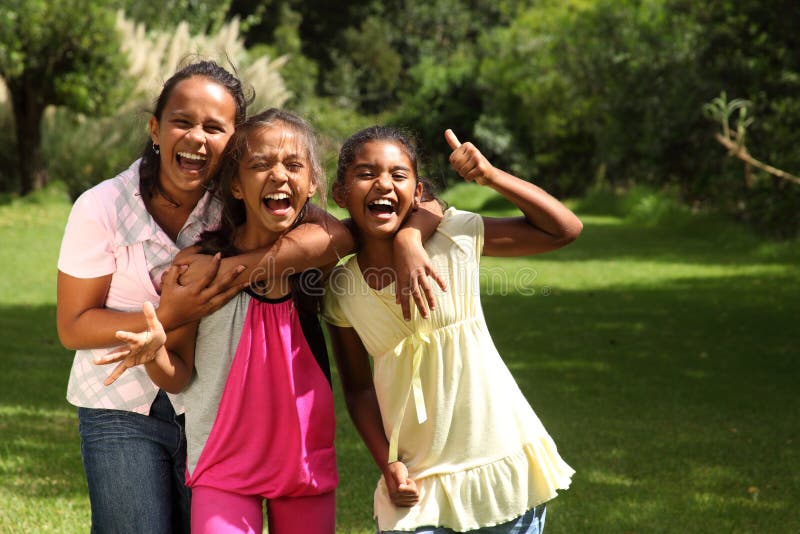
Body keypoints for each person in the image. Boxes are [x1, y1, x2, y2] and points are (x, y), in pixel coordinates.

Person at [103, 110, 445, 533]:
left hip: (304, 466)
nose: (279, 175)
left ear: (312, 184)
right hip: (221, 467)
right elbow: (178, 377)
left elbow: (423, 203)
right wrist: (155, 353)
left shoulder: (318, 260)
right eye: (261, 164)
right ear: (235, 185)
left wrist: (410, 238)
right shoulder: (195, 268)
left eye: (293, 166)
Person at [56, 62, 351, 533]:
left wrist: (234, 271)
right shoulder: (101, 207)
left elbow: (333, 236)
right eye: (182, 121)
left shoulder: (240, 193)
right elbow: (73, 325)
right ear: (155, 128)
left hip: (211, 414)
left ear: (233, 144)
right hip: (120, 404)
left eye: (214, 127)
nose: (197, 137)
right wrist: (171, 313)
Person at [323, 126, 582, 533]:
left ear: (418, 191)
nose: (383, 184)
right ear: (340, 194)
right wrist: (387, 464)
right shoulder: (341, 291)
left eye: (398, 174)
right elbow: (357, 389)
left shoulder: (452, 238)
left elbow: (563, 229)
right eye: (366, 173)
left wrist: (491, 176)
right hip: (418, 483)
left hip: (500, 468)